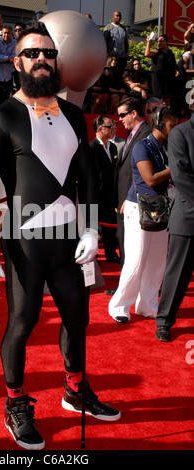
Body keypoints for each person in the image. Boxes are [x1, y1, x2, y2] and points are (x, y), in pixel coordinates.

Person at [0, 21, 121, 451]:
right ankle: (15, 402)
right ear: (16, 62)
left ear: (57, 61)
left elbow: (89, 178)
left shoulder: (74, 114)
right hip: (24, 242)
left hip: (70, 240)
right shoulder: (2, 117)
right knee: (23, 321)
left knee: (78, 318)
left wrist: (91, 227)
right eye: (32, 53)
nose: (41, 59)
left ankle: (75, 389)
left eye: (48, 53)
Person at [109, 107, 178, 323]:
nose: (174, 129)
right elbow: (150, 179)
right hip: (139, 208)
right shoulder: (142, 147)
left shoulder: (164, 148)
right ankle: (119, 306)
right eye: (171, 125)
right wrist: (176, 168)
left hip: (159, 208)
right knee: (136, 260)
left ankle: (147, 305)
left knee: (157, 262)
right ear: (158, 124)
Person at [155, 103, 194, 342]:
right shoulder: (181, 133)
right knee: (177, 274)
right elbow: (180, 175)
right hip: (188, 215)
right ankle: (164, 321)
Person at [114, 97, 151, 268]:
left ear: (134, 113)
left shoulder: (147, 133)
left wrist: (129, 197)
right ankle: (126, 286)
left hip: (134, 202)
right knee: (124, 243)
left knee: (134, 246)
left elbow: (145, 172)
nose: (119, 119)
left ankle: (130, 288)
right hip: (124, 201)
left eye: (122, 115)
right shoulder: (132, 133)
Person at [89, 116, 119, 263]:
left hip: (111, 194)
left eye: (113, 126)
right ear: (100, 129)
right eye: (109, 127)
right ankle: (93, 256)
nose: (113, 129)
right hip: (96, 194)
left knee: (110, 226)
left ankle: (111, 253)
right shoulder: (91, 147)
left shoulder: (113, 147)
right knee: (93, 226)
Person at [145, 34, 177, 107]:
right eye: (158, 41)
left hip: (168, 77)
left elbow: (174, 64)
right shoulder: (156, 51)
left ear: (166, 42)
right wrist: (148, 43)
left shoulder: (170, 52)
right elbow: (147, 54)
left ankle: (164, 113)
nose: (159, 43)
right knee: (157, 97)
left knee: (166, 97)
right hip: (158, 77)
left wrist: (176, 71)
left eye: (162, 41)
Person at [0, 25, 16, 110]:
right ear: (2, 34)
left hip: (8, 75)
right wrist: (7, 58)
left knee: (6, 101)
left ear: (12, 34)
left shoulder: (14, 43)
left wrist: (5, 58)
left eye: (8, 33)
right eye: (4, 33)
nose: (6, 35)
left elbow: (14, 56)